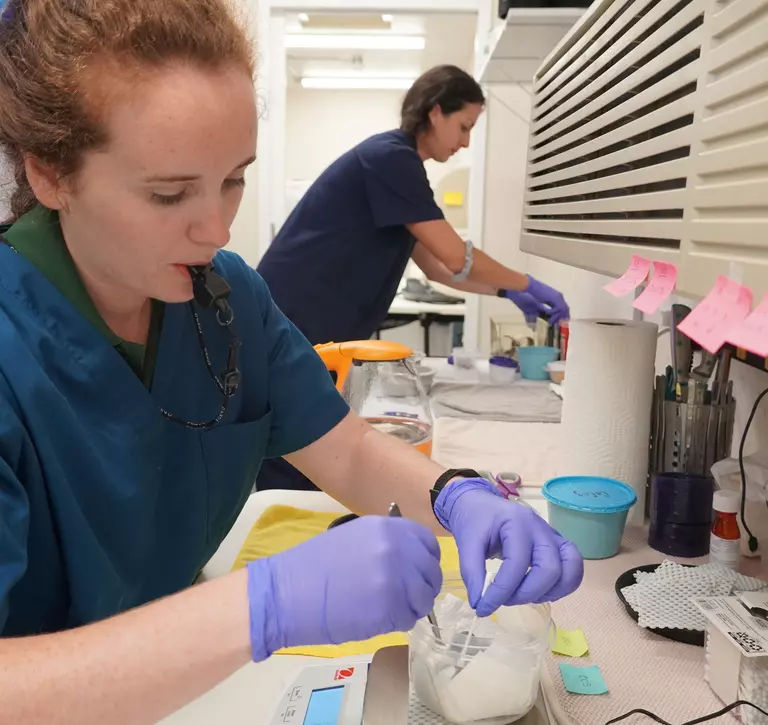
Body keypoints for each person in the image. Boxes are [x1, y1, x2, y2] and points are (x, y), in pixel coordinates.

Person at [0, 2, 583, 723]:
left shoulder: (226, 301)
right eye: (169, 192)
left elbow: (346, 450)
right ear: (52, 175)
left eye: (233, 179)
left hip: (185, 686)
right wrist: (260, 608)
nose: (217, 228)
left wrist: (459, 497)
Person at [256, 64, 570, 492]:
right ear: (436, 112)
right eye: (464, 126)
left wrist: (505, 291)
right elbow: (454, 253)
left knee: (311, 442)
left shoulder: (399, 166)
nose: (465, 141)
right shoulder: (390, 158)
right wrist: (525, 282)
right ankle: (285, 538)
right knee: (297, 449)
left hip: (320, 325)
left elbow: (440, 269)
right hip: (298, 318)